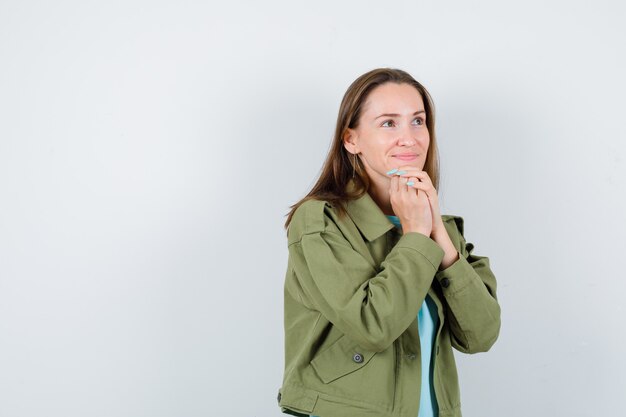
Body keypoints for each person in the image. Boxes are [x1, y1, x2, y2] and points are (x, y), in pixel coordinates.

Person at [277, 68, 501, 417]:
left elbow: (481, 335)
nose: (409, 138)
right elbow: (372, 325)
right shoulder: (321, 221)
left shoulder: (441, 229)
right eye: (388, 123)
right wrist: (415, 235)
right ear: (351, 140)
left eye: (418, 121)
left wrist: (438, 235)